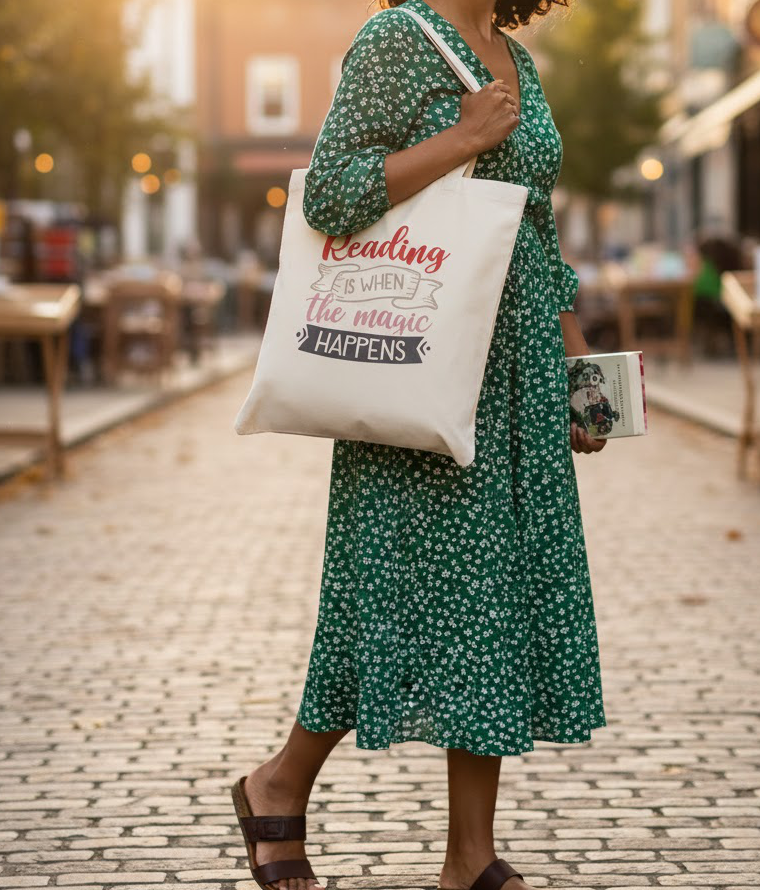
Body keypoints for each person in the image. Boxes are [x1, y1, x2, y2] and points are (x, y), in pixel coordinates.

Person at [232, 3, 608, 889]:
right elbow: (329, 192)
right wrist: (465, 138)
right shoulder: (396, 39)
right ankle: (280, 781)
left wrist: (578, 368)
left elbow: (537, 228)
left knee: (498, 599)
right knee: (387, 593)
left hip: (513, 370)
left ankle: (468, 857)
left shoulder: (516, 57)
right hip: (422, 361)